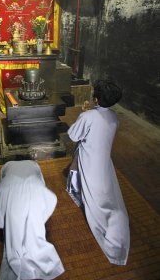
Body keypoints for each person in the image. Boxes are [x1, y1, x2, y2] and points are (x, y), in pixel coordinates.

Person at [66, 79, 130, 265]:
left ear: (95, 99)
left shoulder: (88, 117)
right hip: (104, 160)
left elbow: (73, 135)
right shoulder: (114, 117)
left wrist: (84, 114)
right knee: (106, 189)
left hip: (90, 160)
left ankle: (108, 230)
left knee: (95, 198)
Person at [0, 160, 65, 280]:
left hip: (9, 191)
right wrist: (41, 215)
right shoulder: (34, 164)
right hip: (35, 189)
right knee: (34, 227)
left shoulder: (6, 165)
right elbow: (42, 183)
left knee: (13, 231)